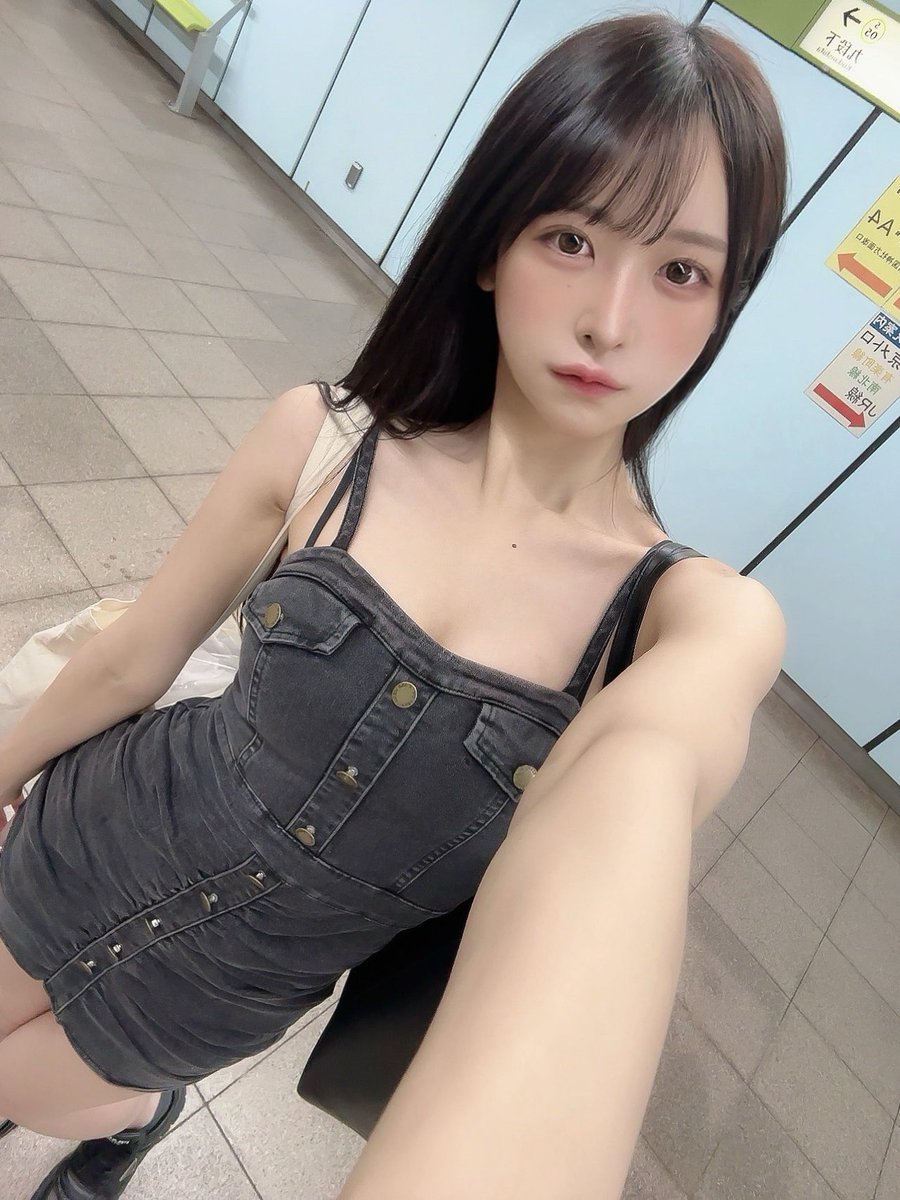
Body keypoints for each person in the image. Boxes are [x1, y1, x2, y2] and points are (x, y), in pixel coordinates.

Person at [0, 10, 788, 1199]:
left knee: (38, 1082)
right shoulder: (325, 440)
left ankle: (141, 1114)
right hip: (93, 830)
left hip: (221, 988)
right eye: (570, 238)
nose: (611, 321)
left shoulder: (686, 620)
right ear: (491, 245)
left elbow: (650, 783)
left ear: (725, 303)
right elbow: (132, 661)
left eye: (681, 271)